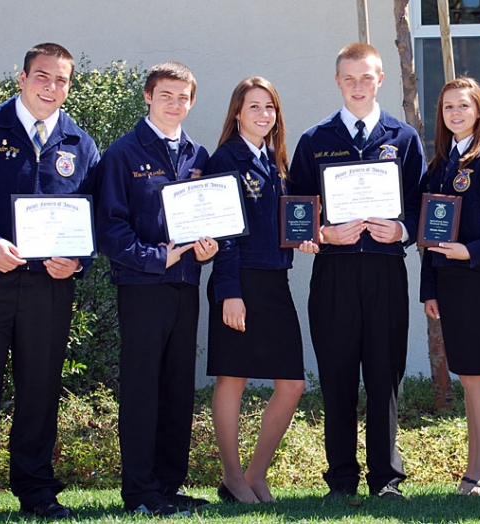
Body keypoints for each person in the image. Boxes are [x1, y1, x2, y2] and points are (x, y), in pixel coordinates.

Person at [0, 43, 99, 522]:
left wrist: (78, 262)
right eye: (43, 77)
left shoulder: (79, 143)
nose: (52, 88)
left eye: (62, 80)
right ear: (22, 78)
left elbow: (91, 218)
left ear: (70, 85)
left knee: (39, 389)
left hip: (49, 288)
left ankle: (36, 491)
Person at [289, 42, 425, 501]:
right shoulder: (314, 140)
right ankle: (341, 480)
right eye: (349, 78)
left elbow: (422, 209)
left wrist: (401, 230)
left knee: (386, 373)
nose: (358, 86)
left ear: (380, 79)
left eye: (366, 77)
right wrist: (323, 234)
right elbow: (298, 216)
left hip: (386, 271)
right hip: (334, 274)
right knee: (338, 374)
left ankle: (386, 479)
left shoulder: (403, 138)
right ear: (337, 82)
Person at [96, 61, 216, 516]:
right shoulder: (123, 154)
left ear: (192, 102)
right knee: (143, 389)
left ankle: (168, 486)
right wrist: (154, 257)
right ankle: (140, 491)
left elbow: (211, 221)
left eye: (183, 97)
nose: (174, 104)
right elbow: (109, 229)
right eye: (166, 95)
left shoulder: (198, 155)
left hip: (186, 285)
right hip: (143, 285)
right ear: (148, 96)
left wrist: (207, 250)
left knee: (178, 388)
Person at [206, 77, 305, 504]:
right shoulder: (225, 159)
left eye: (270, 108)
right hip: (239, 280)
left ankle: (256, 472)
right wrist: (229, 291)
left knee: (292, 383)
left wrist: (304, 236)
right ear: (237, 113)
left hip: (275, 282)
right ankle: (232, 477)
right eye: (254, 107)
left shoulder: (276, 162)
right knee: (233, 376)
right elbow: (223, 232)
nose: (264, 115)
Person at [419, 77, 480, 496]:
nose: (455, 114)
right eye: (448, 108)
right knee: (466, 376)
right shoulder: (440, 164)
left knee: (476, 377)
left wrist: (471, 252)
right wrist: (429, 288)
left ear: (479, 110)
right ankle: (477, 468)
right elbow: (428, 234)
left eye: (463, 106)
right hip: (449, 282)